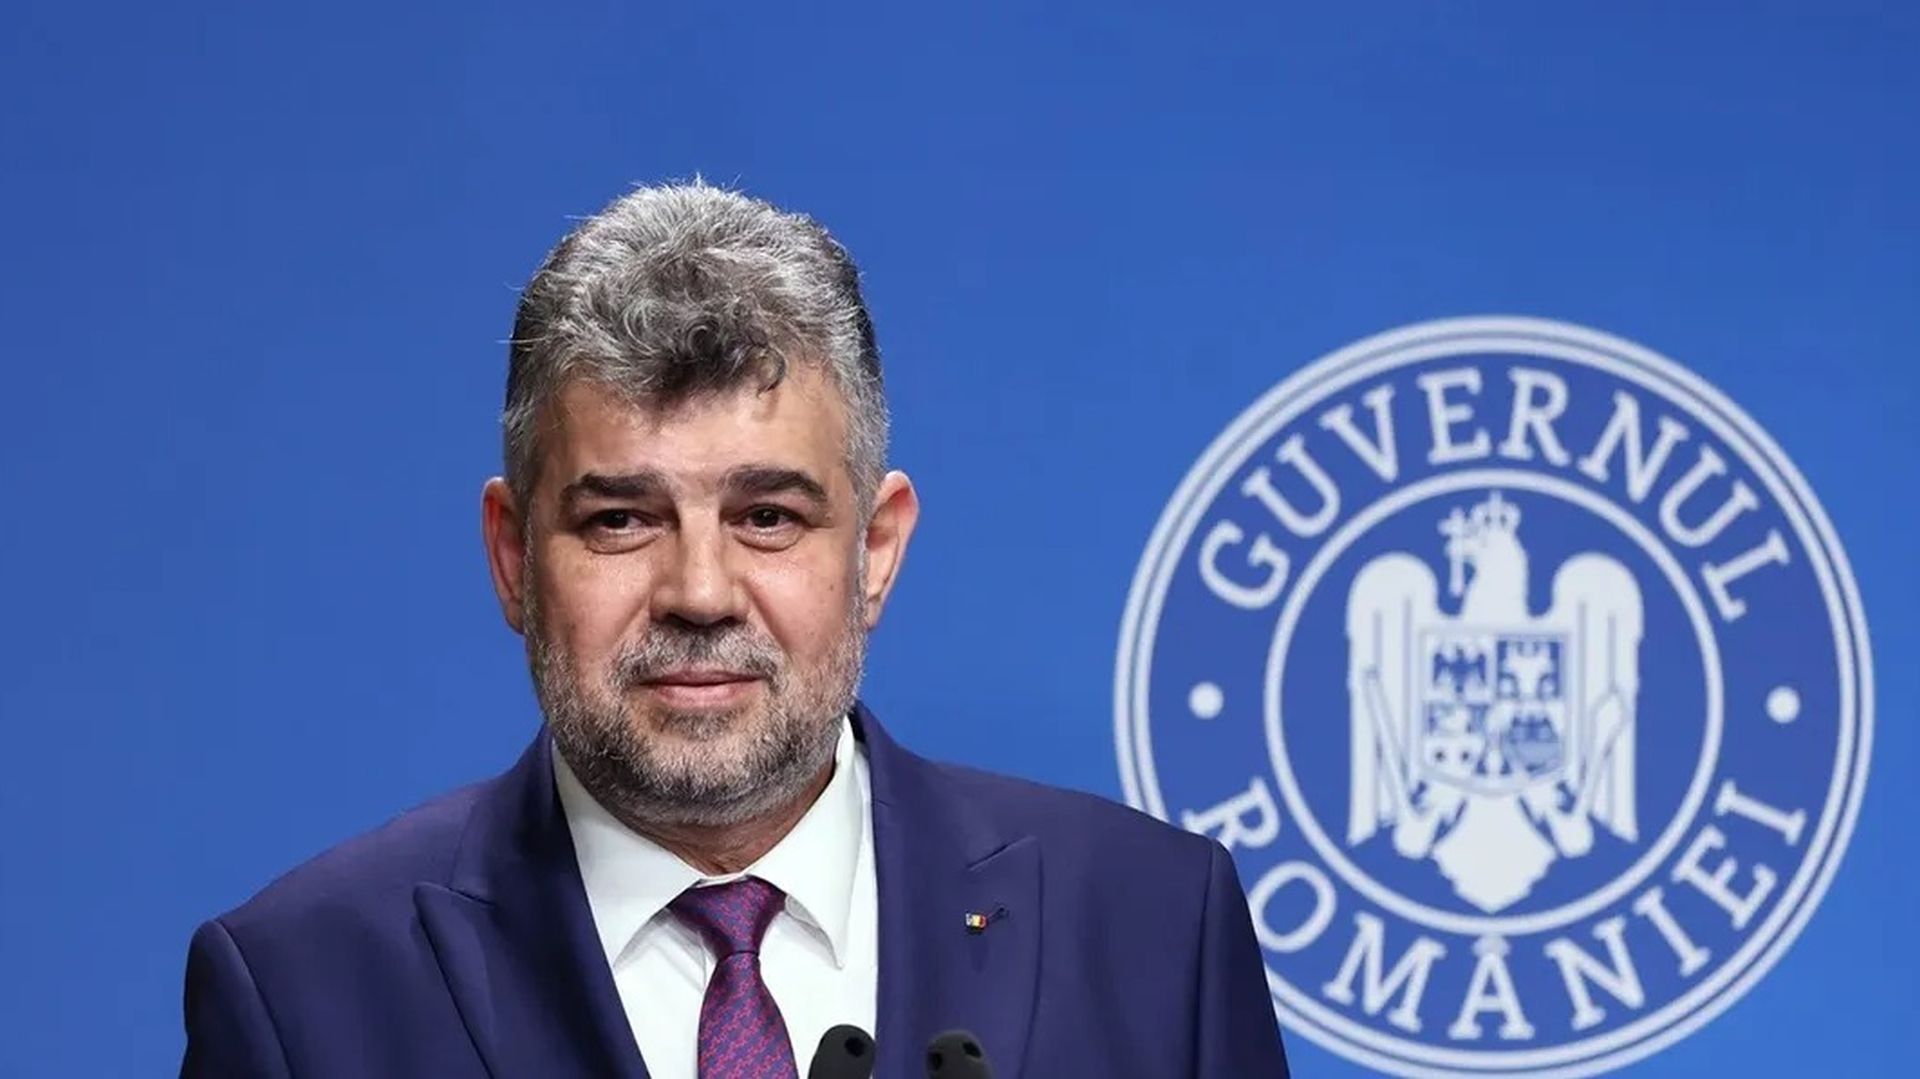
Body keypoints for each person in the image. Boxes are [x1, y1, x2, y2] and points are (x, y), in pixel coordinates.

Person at [179, 182, 1289, 1078]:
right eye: (620, 520)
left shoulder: (1155, 926)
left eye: (767, 517)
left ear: (876, 550)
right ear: (514, 555)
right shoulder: (302, 992)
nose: (700, 592)